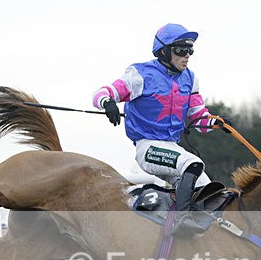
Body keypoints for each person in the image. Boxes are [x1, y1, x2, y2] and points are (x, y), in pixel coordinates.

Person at [91, 23, 228, 237]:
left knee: (208, 190)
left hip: (173, 148)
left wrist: (215, 122)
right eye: (181, 50)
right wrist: (108, 103)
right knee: (192, 163)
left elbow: (199, 118)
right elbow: (103, 92)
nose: (187, 55)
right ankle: (182, 221)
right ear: (164, 51)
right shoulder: (140, 75)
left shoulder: (191, 80)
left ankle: (193, 240)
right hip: (147, 148)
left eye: (190, 50)